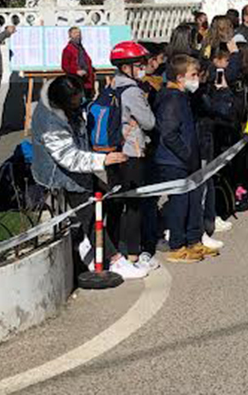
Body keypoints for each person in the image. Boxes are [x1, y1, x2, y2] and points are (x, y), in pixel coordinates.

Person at [30, 74, 146, 279]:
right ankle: (114, 259)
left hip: (80, 171)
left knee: (108, 199)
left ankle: (91, 242)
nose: (80, 101)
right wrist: (103, 160)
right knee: (90, 214)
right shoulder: (51, 122)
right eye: (75, 100)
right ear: (62, 102)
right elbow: (68, 158)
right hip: (61, 175)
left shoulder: (62, 101)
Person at [153, 55, 218, 263]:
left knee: (193, 202)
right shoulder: (171, 98)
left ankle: (193, 240)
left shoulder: (183, 97)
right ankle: (177, 246)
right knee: (179, 203)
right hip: (174, 161)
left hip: (187, 160)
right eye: (193, 75)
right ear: (180, 77)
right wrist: (187, 155)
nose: (196, 79)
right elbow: (169, 133)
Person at [106, 41, 160, 270]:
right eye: (139, 64)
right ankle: (133, 255)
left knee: (116, 204)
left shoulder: (111, 86)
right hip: (133, 152)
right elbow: (149, 122)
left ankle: (114, 249)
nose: (143, 67)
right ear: (126, 66)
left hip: (112, 152)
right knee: (134, 206)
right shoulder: (133, 91)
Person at [61, 26, 95, 96]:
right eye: (75, 33)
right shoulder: (68, 49)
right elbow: (65, 66)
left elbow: (87, 62)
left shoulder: (81, 49)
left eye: (79, 33)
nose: (78, 35)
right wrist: (76, 71)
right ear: (70, 35)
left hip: (87, 82)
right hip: (76, 82)